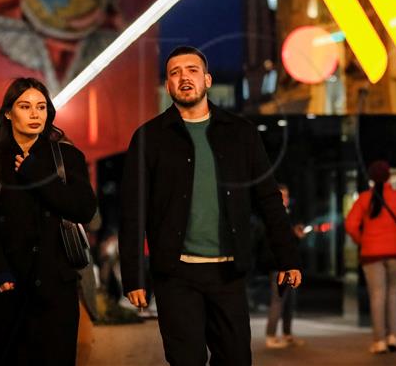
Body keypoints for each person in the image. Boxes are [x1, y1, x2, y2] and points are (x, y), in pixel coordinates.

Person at [120, 46, 301, 366]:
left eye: (191, 70)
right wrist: (134, 276)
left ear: (207, 79)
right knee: (185, 360)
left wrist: (288, 257)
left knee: (235, 359)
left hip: (227, 272)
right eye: (174, 73)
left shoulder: (240, 133)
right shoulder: (149, 138)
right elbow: (133, 210)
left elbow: (268, 198)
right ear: (168, 86)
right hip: (175, 275)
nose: (183, 77)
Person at [0, 77, 96, 365]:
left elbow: (83, 209)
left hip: (54, 293)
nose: (35, 114)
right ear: (8, 113)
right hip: (3, 291)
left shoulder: (68, 158)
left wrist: (37, 175)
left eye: (41, 107)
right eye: (25, 106)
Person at [345, 160, 396, 355]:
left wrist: (363, 241)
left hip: (371, 254)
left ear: (370, 177)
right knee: (393, 294)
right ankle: (393, 336)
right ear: (389, 177)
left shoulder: (363, 199)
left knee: (377, 296)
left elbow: (350, 225)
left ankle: (379, 341)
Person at [264, 184, 306, 349]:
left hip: (289, 265)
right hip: (278, 266)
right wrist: (292, 234)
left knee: (289, 302)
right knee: (278, 300)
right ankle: (271, 335)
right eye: (282, 196)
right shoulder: (273, 216)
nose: (286, 200)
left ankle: (287, 334)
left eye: (287, 196)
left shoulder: (286, 215)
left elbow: (287, 243)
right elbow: (274, 243)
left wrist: (295, 235)